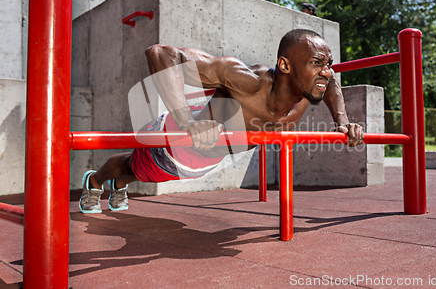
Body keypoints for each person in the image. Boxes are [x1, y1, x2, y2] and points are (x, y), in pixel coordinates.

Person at [79, 29, 364, 213]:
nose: (326, 72)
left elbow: (334, 83)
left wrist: (342, 121)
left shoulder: (306, 89)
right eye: (317, 63)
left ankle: (118, 186)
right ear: (285, 65)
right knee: (131, 166)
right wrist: (187, 122)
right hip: (177, 143)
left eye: (328, 64)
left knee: (137, 175)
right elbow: (160, 53)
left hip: (207, 161)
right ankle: (94, 182)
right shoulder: (245, 80)